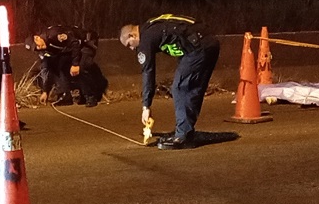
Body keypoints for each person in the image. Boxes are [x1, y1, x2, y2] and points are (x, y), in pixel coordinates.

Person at [119, 14, 220, 149]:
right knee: (193, 89)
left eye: (129, 45)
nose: (132, 49)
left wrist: (146, 106)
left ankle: (182, 136)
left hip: (198, 47)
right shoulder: (152, 26)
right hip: (209, 43)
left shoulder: (145, 38)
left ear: (132, 36)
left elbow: (148, 72)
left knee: (179, 87)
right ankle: (186, 132)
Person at [25, 24, 107, 107]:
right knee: (61, 67)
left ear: (37, 38)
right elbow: (48, 67)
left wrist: (75, 64)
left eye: (37, 45)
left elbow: (74, 43)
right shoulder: (45, 49)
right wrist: (46, 91)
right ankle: (66, 97)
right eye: (36, 49)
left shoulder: (53, 35)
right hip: (76, 47)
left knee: (81, 66)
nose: (39, 48)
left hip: (87, 42)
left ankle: (91, 96)